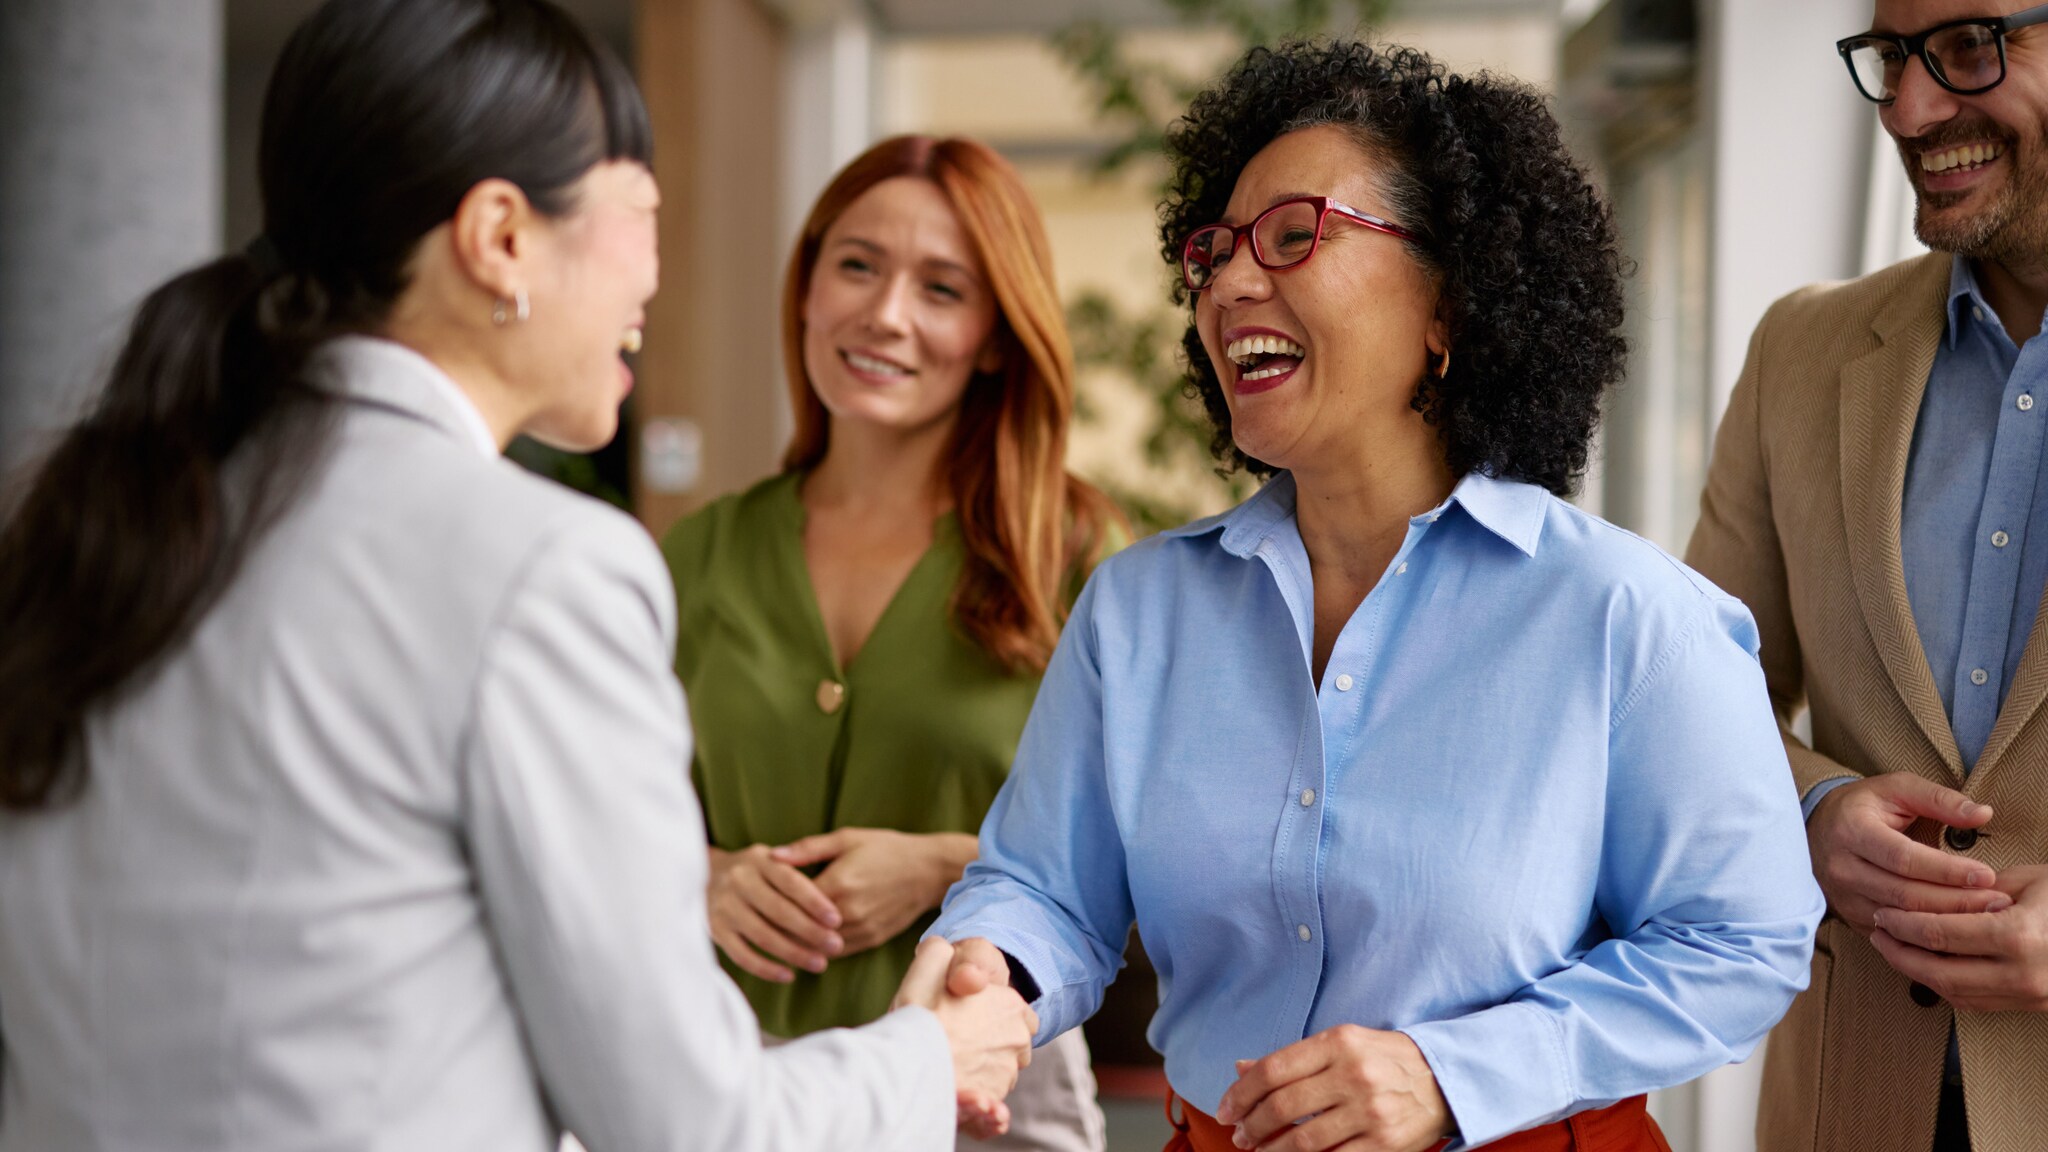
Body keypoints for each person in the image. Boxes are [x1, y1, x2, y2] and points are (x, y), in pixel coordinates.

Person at [0, 3, 1035, 1149]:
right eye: (641, 212)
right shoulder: (546, 568)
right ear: (500, 235)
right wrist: (925, 1061)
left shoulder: (104, 518)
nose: (652, 273)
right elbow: (692, 1126)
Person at [925, 40, 1826, 1152]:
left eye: (1295, 236)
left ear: (1450, 306)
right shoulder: (1137, 612)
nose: (1229, 283)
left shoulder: (1629, 619)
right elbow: (1046, 890)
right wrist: (990, 968)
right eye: (1213, 251)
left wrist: (1452, 1075)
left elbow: (1742, 941)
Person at [659, 134, 1123, 1152]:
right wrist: (702, 875)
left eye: (941, 289)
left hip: (985, 1091)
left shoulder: (1080, 558)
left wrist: (946, 868)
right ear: (806, 288)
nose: (884, 314)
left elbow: (1150, 855)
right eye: (857, 265)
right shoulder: (700, 553)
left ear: (997, 336)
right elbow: (599, 810)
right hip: (729, 1082)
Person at [1686, 3, 2048, 1149]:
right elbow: (1684, 707)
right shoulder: (1800, 349)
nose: (1908, 106)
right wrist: (1809, 810)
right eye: (1891, 56)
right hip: (1849, 1103)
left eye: (1969, 46)